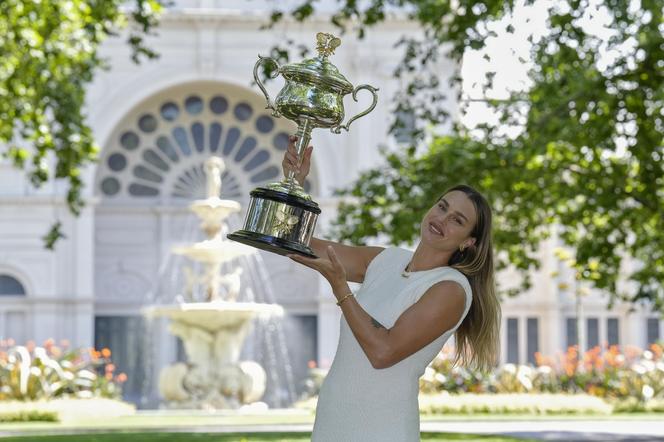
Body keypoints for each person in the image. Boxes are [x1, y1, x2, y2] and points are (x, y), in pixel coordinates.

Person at [282, 136, 501, 442]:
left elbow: (383, 351)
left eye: (457, 220)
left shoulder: (451, 288)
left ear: (468, 242)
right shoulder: (386, 260)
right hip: (332, 427)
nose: (442, 219)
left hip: (382, 432)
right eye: (442, 207)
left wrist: (341, 289)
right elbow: (291, 240)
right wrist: (293, 185)